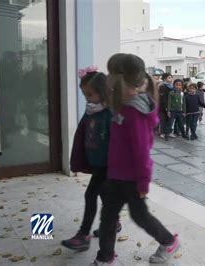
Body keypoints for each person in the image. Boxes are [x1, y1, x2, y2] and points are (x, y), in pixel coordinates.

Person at [94, 54, 179, 265]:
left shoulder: (134, 113)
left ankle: (169, 241)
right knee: (108, 218)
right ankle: (105, 257)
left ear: (120, 79)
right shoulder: (122, 106)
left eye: (110, 74)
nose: (107, 78)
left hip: (132, 179)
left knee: (139, 216)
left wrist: (142, 182)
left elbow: (142, 152)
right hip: (115, 176)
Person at [61, 67, 122, 251]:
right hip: (96, 161)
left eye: (90, 93)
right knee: (103, 194)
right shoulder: (91, 110)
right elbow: (83, 134)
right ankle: (115, 223)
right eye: (84, 93)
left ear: (102, 92)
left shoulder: (111, 112)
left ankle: (84, 234)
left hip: (107, 165)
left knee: (91, 194)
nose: (87, 97)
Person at [158, 73, 174, 139]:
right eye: (169, 77)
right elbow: (163, 98)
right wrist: (165, 107)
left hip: (171, 106)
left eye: (171, 77)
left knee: (170, 120)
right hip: (163, 106)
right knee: (163, 119)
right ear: (165, 79)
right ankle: (162, 132)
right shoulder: (162, 86)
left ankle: (169, 132)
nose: (171, 79)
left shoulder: (172, 86)